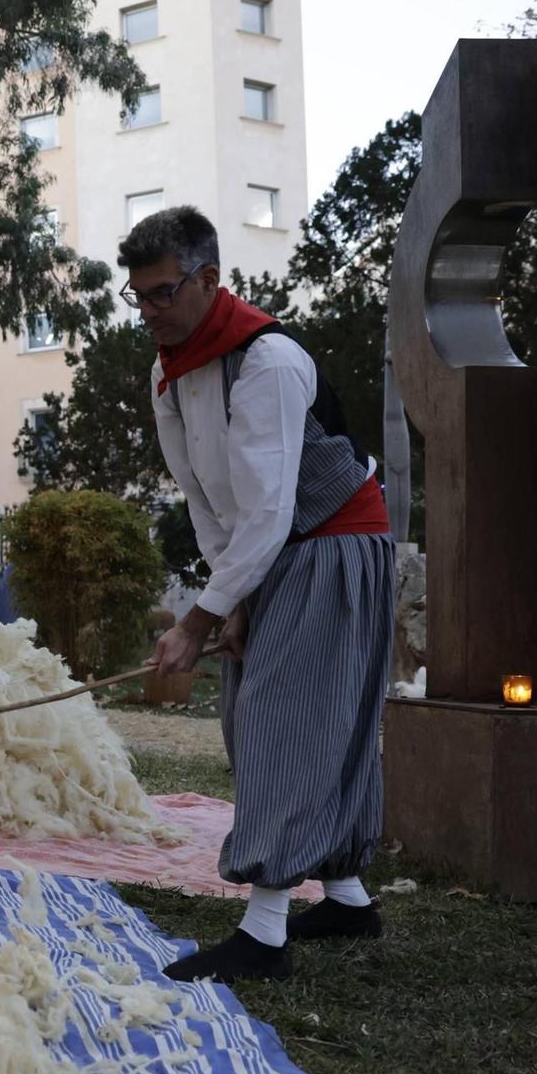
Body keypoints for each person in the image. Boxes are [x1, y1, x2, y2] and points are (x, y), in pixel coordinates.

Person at [130, 206, 395, 984]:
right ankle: (346, 896)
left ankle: (267, 933)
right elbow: (208, 500)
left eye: (164, 293)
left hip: (335, 541)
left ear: (209, 280)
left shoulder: (269, 360)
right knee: (254, 706)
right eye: (138, 295)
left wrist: (200, 616)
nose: (150, 311)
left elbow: (274, 506)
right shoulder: (167, 374)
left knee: (286, 714)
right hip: (273, 550)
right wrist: (232, 599)